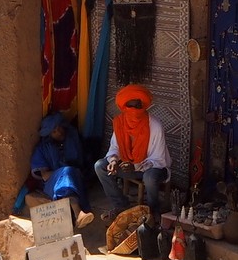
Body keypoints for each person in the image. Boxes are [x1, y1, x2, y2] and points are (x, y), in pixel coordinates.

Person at [95, 84, 170, 216]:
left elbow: (158, 160)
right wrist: (113, 161)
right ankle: (121, 206)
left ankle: (153, 213)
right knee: (100, 166)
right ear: (124, 107)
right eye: (131, 106)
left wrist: (135, 166)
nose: (134, 110)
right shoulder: (120, 123)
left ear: (143, 106)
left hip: (154, 169)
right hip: (129, 168)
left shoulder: (155, 126)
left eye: (137, 106)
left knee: (149, 178)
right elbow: (115, 147)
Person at [30, 111, 93, 221]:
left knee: (70, 174)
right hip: (52, 183)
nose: (59, 132)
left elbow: (83, 162)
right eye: (54, 131)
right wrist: (64, 173)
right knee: (67, 173)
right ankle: (78, 213)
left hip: (75, 176)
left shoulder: (73, 139)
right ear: (49, 134)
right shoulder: (42, 149)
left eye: (59, 128)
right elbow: (45, 176)